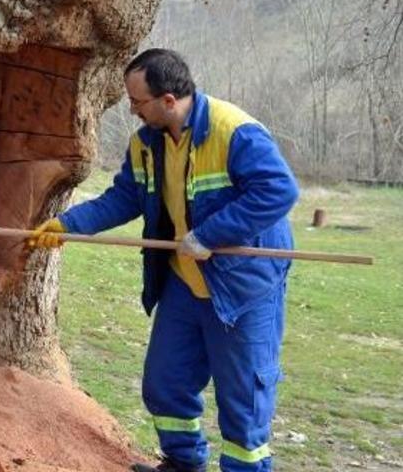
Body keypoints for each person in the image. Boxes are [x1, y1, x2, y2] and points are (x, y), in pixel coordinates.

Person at [29, 49, 298, 472]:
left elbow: (278, 192)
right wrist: (68, 224)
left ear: (169, 100)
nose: (132, 110)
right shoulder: (146, 143)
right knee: (165, 383)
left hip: (243, 286)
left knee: (244, 398)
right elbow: (124, 197)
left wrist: (209, 235)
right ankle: (183, 463)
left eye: (138, 102)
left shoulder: (235, 132)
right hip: (183, 283)